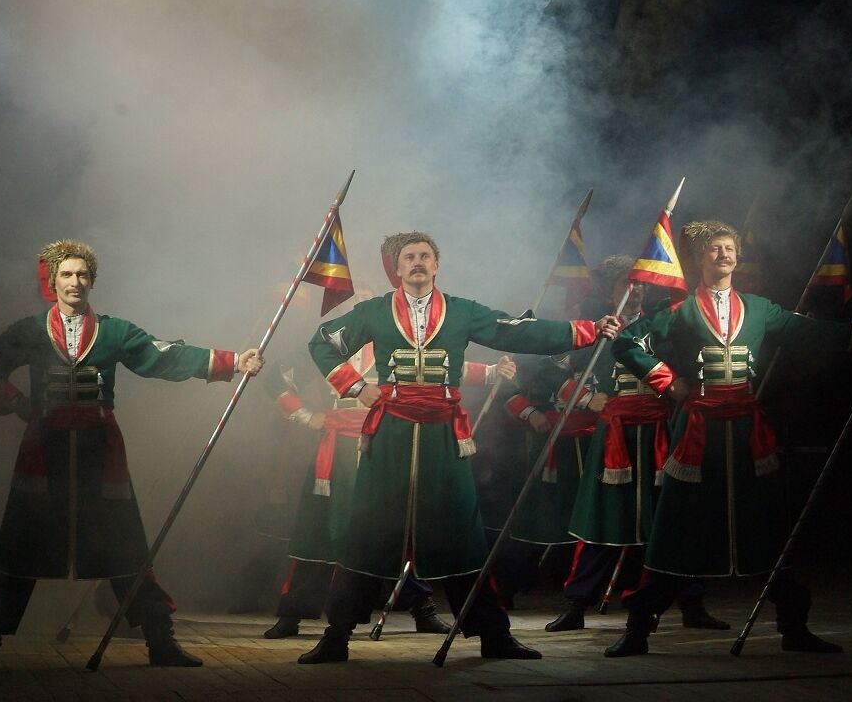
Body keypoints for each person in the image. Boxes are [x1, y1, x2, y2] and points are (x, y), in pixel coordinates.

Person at [297, 231, 620, 663]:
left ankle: (494, 636)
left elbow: (516, 331)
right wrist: (355, 386)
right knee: (368, 533)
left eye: (424, 256)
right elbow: (322, 342)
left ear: (436, 265)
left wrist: (587, 330)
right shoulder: (372, 311)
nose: (417, 262)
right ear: (396, 268)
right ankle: (336, 637)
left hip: (444, 437)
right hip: (390, 435)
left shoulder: (462, 311)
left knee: (462, 536)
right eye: (408, 257)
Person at [0, 239, 263, 671]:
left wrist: (232, 361)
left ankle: (161, 643)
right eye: (66, 274)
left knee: (126, 549)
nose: (75, 281)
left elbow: (162, 355)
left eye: (82, 274)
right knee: (21, 548)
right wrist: (18, 403)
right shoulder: (29, 331)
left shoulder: (114, 332)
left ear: (92, 281)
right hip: (44, 454)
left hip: (100, 453)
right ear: (53, 281)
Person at [605, 221, 852, 657]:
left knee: (764, 529)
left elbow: (810, 331)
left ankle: (793, 627)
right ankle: (638, 629)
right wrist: (668, 382)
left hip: (748, 434)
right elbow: (626, 343)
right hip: (698, 435)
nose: (724, 255)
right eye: (715, 249)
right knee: (679, 530)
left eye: (729, 248)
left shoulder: (760, 308)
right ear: (699, 258)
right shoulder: (677, 310)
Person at [265, 286, 516, 639]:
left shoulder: (395, 342)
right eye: (356, 304)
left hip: (387, 445)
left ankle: (421, 607)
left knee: (401, 527)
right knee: (322, 530)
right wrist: (307, 417)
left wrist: (491, 372)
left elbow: (440, 368)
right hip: (338, 452)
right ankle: (295, 613)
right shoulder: (329, 348)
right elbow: (275, 377)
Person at [552, 256, 727, 632]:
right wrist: (587, 398)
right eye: (628, 285)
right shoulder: (596, 331)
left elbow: (692, 366)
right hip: (614, 437)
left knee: (673, 520)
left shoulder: (665, 327)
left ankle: (692, 604)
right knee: (602, 521)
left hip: (661, 432)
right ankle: (576, 605)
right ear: (611, 291)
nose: (636, 292)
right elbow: (549, 374)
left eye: (641, 285)